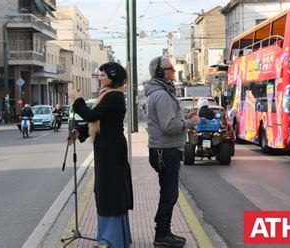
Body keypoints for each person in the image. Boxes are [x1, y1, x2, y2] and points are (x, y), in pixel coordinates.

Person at [68, 62, 133, 248]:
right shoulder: (111, 95)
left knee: (108, 191)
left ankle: (110, 239)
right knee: (108, 190)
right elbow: (101, 122)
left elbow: (92, 116)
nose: (100, 78)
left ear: (112, 77)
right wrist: (79, 132)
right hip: (109, 147)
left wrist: (78, 99)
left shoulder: (113, 96)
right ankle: (113, 237)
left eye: (103, 75)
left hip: (110, 150)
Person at [144, 56, 200, 247]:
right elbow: (168, 126)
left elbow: (166, 119)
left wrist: (183, 117)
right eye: (170, 69)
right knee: (169, 193)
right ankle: (162, 235)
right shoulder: (161, 94)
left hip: (163, 149)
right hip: (165, 150)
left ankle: (163, 231)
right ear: (161, 72)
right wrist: (189, 123)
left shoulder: (160, 92)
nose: (174, 73)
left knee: (168, 192)